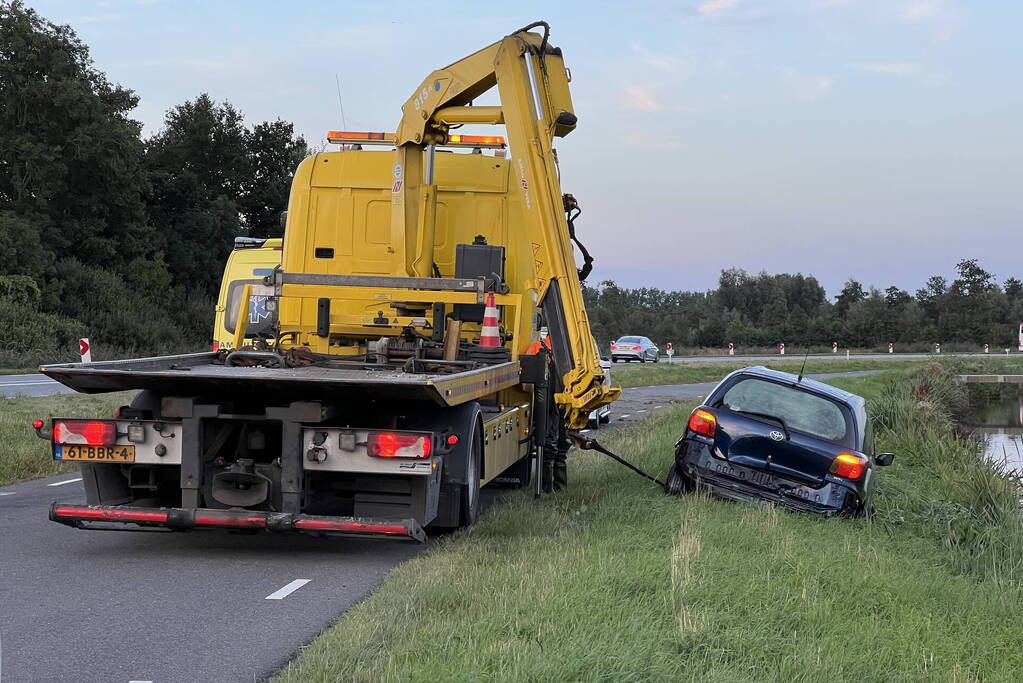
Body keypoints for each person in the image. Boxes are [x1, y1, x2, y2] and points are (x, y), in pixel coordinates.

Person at [525, 327, 570, 492]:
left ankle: (548, 488)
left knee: (550, 445)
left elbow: (525, 381)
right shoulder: (569, 354)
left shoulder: (537, 347)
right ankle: (558, 487)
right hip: (558, 404)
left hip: (546, 405)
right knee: (560, 445)